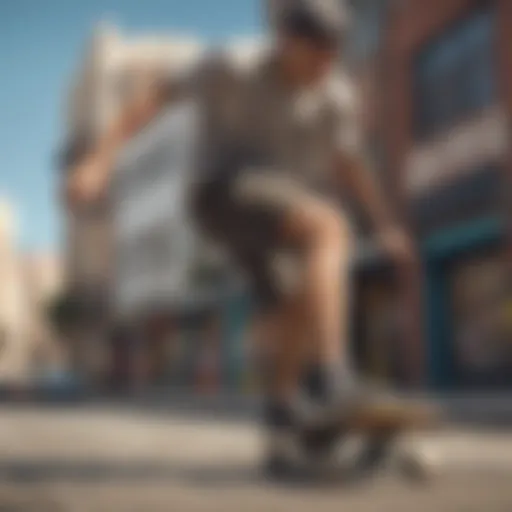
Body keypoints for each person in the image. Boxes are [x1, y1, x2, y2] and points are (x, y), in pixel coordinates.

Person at [67, 0, 415, 475]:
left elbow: (352, 163)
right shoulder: (230, 65)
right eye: (316, 55)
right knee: (329, 226)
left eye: (335, 55)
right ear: (286, 43)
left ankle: (283, 420)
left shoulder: (335, 95)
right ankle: (331, 378)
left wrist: (387, 225)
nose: (326, 67)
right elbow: (149, 100)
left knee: (294, 299)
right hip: (219, 191)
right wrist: (99, 162)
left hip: (275, 206)